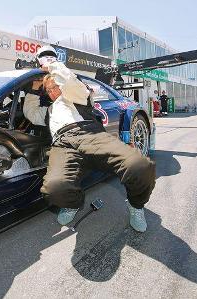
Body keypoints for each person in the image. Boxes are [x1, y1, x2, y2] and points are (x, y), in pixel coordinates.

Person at [24, 46, 156, 232]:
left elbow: (69, 83)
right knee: (54, 189)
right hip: (63, 144)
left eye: (55, 86)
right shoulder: (49, 111)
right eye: (49, 89)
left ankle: (136, 205)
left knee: (140, 166)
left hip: (90, 135)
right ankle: (73, 204)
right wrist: (33, 90)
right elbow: (30, 112)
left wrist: (51, 65)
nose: (53, 92)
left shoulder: (76, 96)